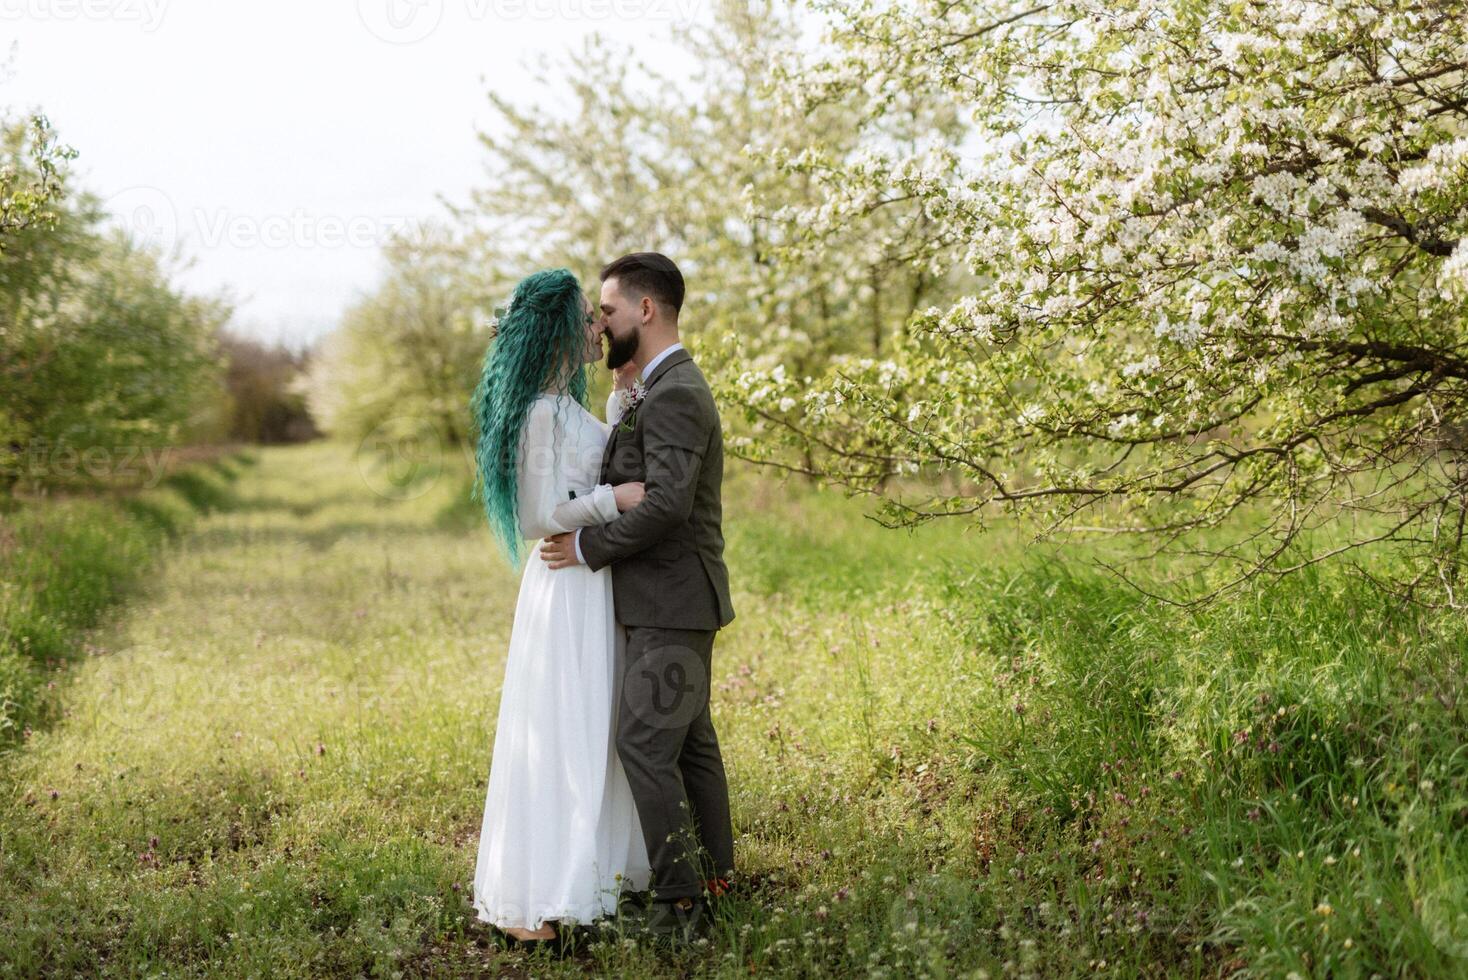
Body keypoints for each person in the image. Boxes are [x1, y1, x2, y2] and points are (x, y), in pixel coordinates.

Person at [538, 252, 736, 941]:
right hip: (670, 602)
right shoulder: (655, 385)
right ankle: (714, 882)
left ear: (645, 310)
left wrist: (587, 549)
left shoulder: (677, 390)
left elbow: (669, 505)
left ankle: (681, 909)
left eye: (611, 310)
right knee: (688, 746)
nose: (601, 325)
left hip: (673, 604)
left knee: (645, 746)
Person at [467, 267, 651, 949]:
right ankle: (539, 891)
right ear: (555, 330)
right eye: (586, 317)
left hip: (591, 576)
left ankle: (586, 874)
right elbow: (538, 514)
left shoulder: (564, 404)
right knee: (560, 726)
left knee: (592, 725)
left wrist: (621, 407)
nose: (598, 326)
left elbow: (592, 463)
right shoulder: (539, 412)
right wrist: (614, 501)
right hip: (563, 579)